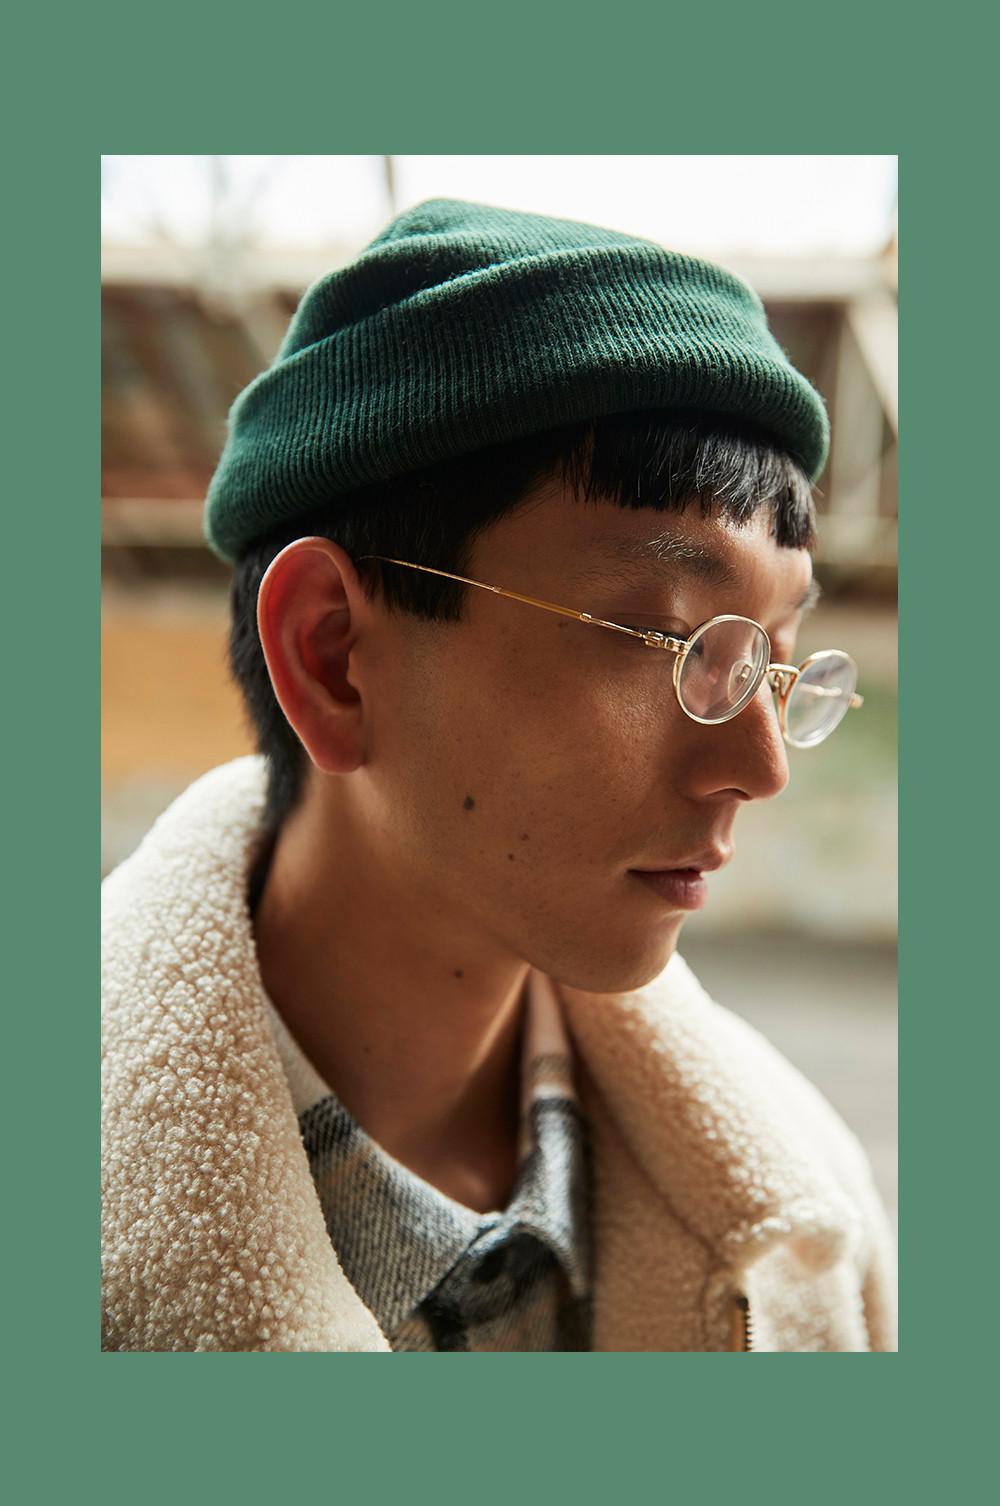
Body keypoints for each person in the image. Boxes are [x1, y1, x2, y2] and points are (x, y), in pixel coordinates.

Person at [101, 198, 897, 1352]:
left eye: (770, 660)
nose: (756, 766)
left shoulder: (804, 1225)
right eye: (667, 643)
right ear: (332, 656)